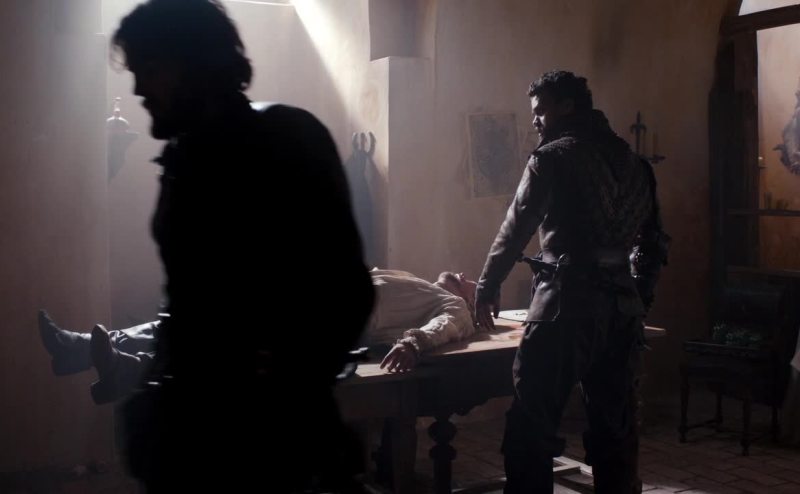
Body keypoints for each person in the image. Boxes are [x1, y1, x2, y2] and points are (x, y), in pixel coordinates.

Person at [108, 1, 375, 492]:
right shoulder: (182, 158)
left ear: (194, 62)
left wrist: (281, 393)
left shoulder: (284, 138)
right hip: (191, 432)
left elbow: (346, 291)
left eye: (151, 68)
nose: (139, 88)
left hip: (264, 439)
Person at [474, 70, 669, 494]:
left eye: (541, 110)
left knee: (531, 424)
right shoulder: (637, 165)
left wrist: (487, 286)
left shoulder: (552, 158)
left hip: (564, 305)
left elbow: (515, 229)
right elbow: (654, 245)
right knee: (615, 426)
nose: (536, 120)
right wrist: (637, 297)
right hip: (622, 312)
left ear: (567, 106)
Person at [38, 270, 479, 394]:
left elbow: (447, 326)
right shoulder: (415, 278)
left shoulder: (453, 305)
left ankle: (120, 367)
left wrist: (413, 342)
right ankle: (85, 350)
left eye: (472, 281)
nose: (464, 274)